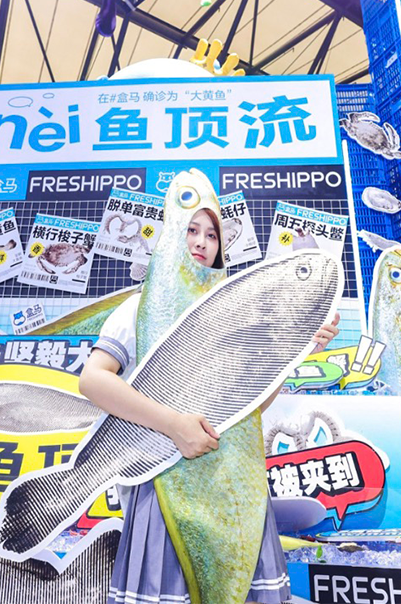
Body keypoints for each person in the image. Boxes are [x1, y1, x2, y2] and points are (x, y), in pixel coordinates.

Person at [80, 207, 340, 604]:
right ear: (171, 238)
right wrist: (173, 424)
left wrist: (296, 352)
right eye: (192, 230)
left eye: (212, 235)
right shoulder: (142, 307)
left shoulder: (236, 311)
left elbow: (250, 407)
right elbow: (93, 379)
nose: (201, 242)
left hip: (232, 485)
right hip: (167, 486)